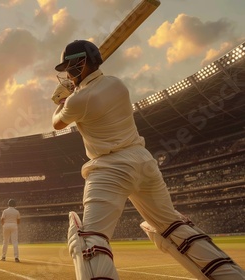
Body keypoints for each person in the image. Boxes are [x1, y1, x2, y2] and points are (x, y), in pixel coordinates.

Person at [52, 39, 245, 280]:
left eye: (69, 69)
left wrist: (61, 101)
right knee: (174, 227)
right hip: (144, 162)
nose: (68, 75)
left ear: (79, 64)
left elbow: (57, 122)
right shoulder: (117, 84)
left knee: (90, 240)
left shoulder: (77, 101)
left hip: (110, 167)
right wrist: (73, 93)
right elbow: (90, 96)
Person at [0, 199, 21, 263]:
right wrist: (14, 224)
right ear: (14, 204)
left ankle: (3, 257)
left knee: (5, 241)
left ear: (8, 204)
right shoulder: (17, 211)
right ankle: (16, 257)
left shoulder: (5, 211)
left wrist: (4, 225)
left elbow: (2, 219)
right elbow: (18, 221)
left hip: (6, 225)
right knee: (15, 242)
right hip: (14, 225)